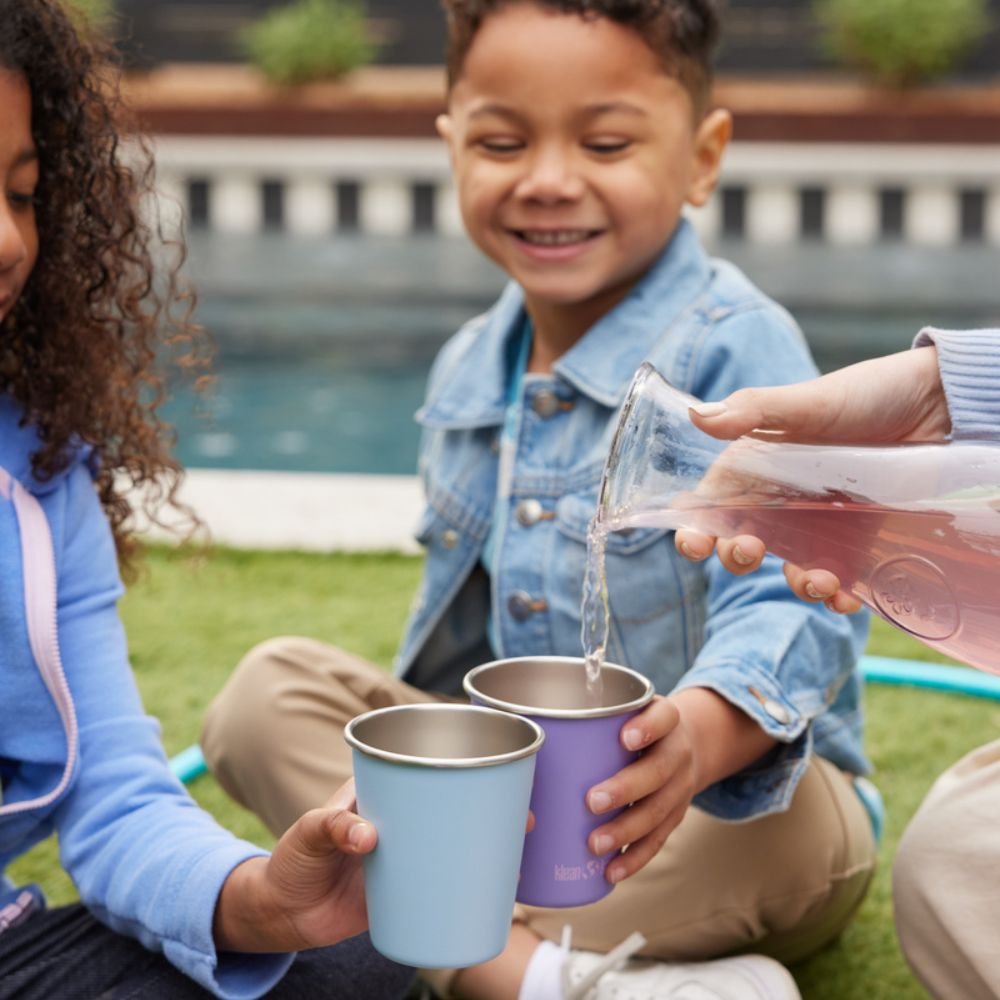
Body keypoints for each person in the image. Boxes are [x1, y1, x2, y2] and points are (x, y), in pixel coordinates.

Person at [203, 2, 877, 998]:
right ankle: (542, 973)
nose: (548, 179)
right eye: (502, 142)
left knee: (789, 834)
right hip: (524, 819)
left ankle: (456, 931)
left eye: (604, 143)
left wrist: (694, 743)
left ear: (702, 158)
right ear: (452, 147)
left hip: (719, 812)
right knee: (264, 698)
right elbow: (456, 674)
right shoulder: (469, 366)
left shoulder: (737, 351)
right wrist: (437, 785)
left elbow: (801, 604)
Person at [0, 3, 416, 997]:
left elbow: (114, 802)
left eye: (21, 193)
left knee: (349, 959)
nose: (8, 240)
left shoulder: (42, 469)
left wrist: (264, 900)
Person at [673, 326, 1000, 1000]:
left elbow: (780, 611)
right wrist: (937, 392)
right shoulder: (477, 361)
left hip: (767, 812)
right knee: (952, 859)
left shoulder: (731, 335)